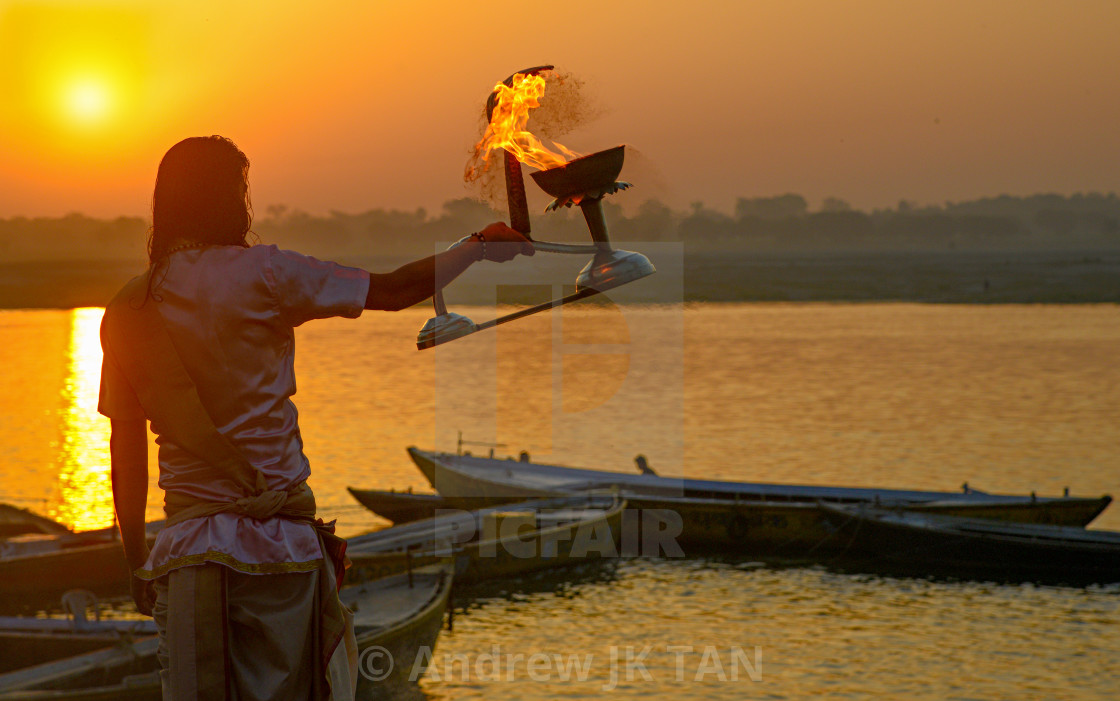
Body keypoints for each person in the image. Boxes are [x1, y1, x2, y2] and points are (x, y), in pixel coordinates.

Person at [98, 135, 533, 700]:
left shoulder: (131, 307)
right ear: (232, 198)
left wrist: (136, 561)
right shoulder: (269, 274)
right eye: (242, 188)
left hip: (187, 554)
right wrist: (477, 246)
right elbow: (396, 290)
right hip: (281, 551)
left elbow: (125, 448)